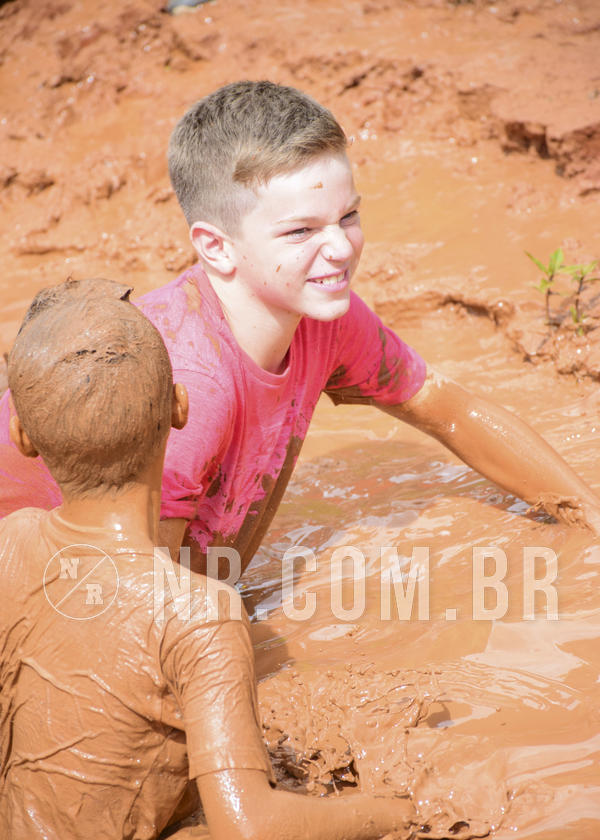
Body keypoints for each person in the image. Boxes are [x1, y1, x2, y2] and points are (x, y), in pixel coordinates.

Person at [1, 81, 599, 572]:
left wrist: (588, 520)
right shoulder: (190, 388)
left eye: (349, 215)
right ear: (216, 246)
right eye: (301, 231)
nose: (340, 248)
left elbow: (447, 408)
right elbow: (137, 600)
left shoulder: (322, 316)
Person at [0, 280, 412, 840]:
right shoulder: (198, 612)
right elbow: (250, 835)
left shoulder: (11, 542)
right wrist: (396, 812)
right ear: (179, 407)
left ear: (22, 438)